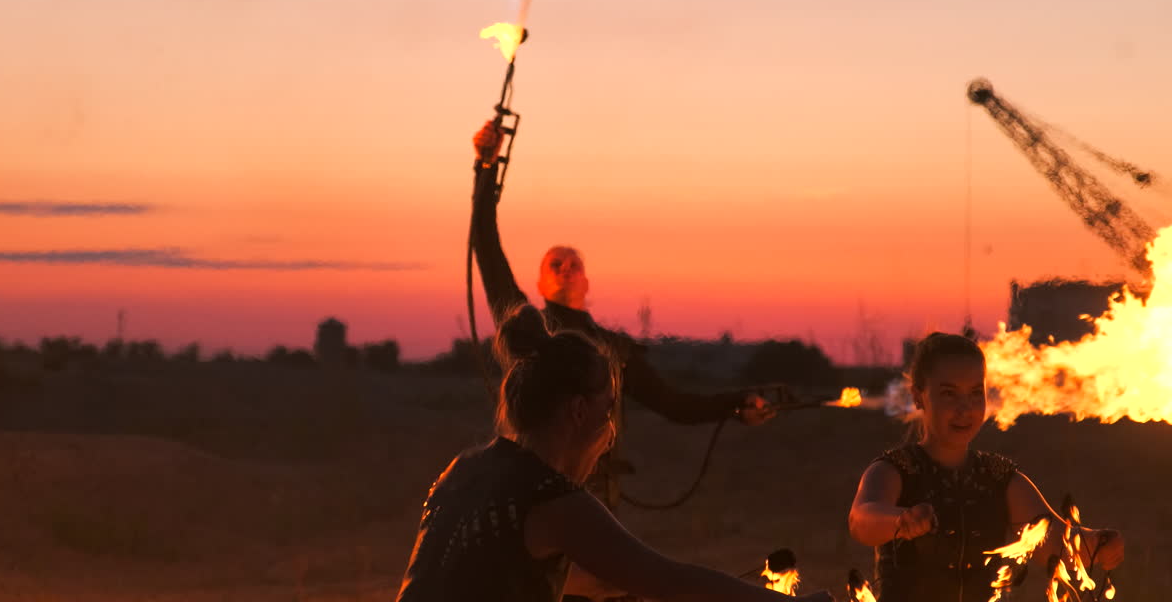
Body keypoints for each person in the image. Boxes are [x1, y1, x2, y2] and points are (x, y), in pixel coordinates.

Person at [397, 306, 833, 602]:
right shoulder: (552, 500)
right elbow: (672, 582)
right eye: (609, 411)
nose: (611, 432)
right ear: (578, 410)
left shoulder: (466, 468)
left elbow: (539, 573)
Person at [471, 120, 775, 510]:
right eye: (555, 263)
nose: (565, 267)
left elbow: (674, 404)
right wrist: (485, 167)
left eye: (573, 263)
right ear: (541, 284)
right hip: (526, 488)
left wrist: (738, 404)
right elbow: (487, 246)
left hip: (592, 495)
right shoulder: (527, 331)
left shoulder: (614, 351)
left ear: (587, 281)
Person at [847, 332, 1125, 602]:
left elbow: (1055, 542)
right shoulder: (896, 469)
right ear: (919, 396)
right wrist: (901, 521)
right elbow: (861, 520)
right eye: (949, 394)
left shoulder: (999, 477)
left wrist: (1097, 542)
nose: (964, 408)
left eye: (975, 393)